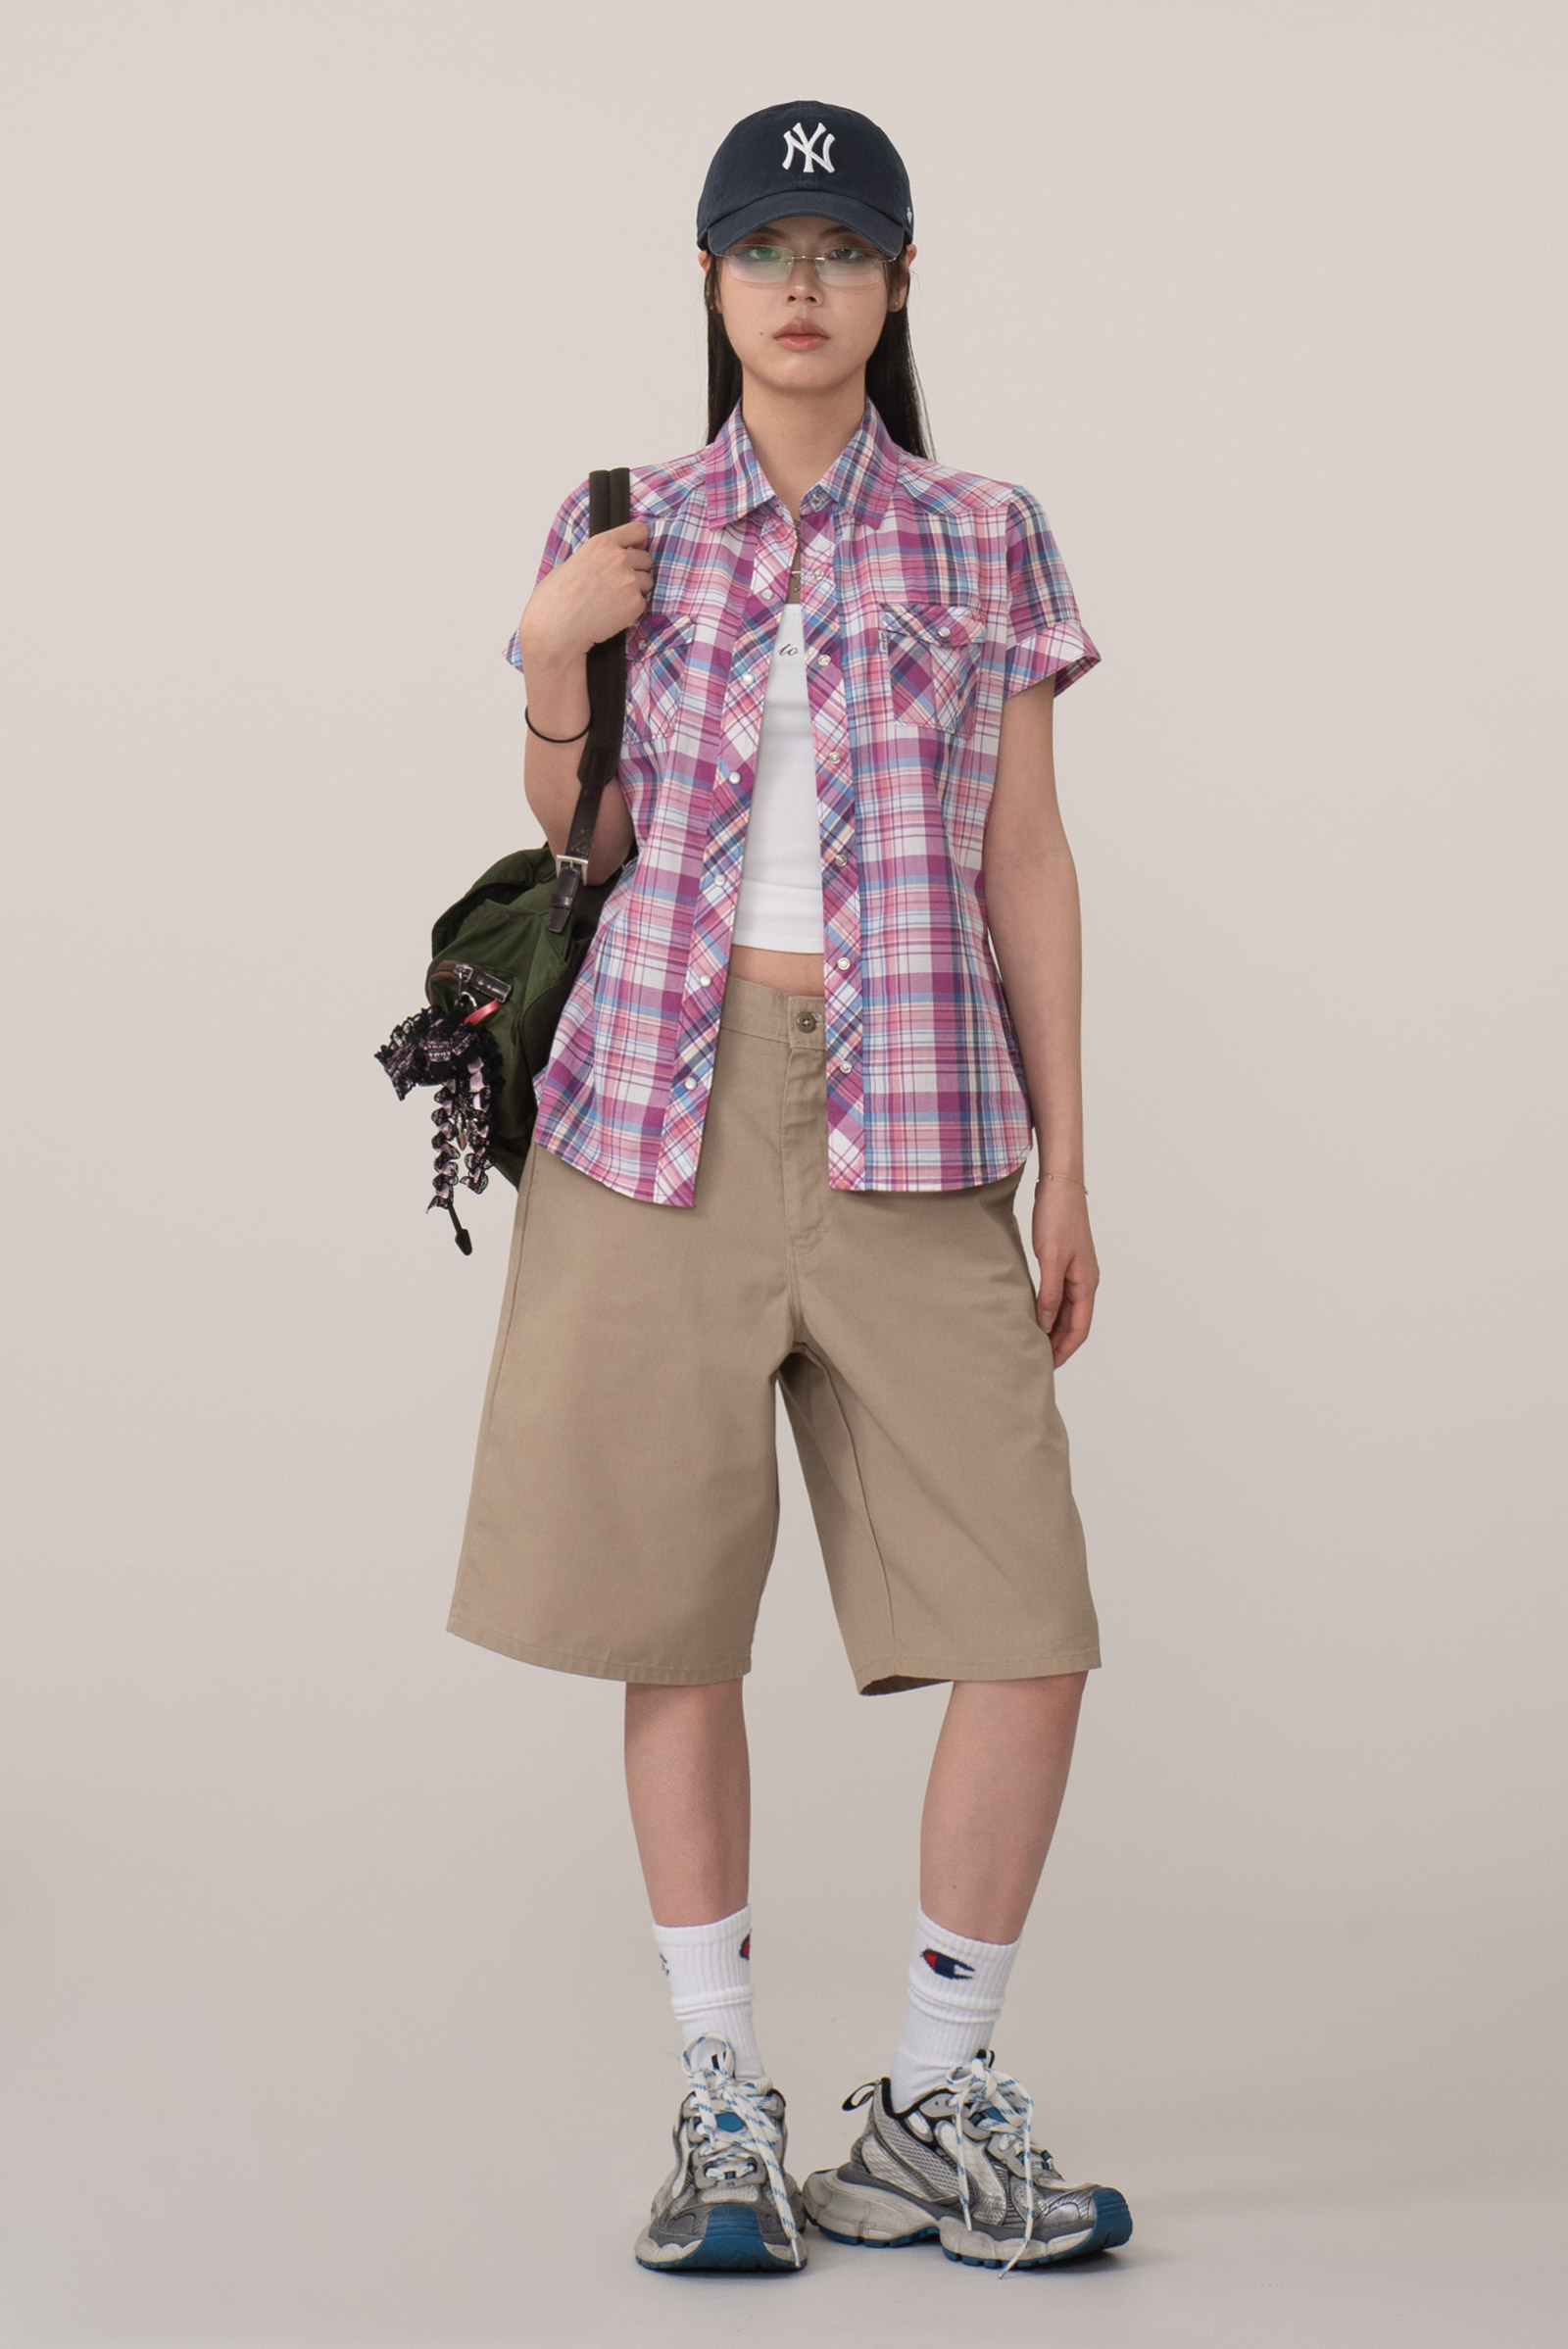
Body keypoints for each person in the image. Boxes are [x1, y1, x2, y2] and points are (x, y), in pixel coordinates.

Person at [448, 98, 1130, 2276]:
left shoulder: (987, 534)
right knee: (673, 1607)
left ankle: (930, 2097)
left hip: (918, 1110)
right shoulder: (624, 521)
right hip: (651, 1114)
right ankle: (720, 2095)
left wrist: (1072, 1163)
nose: (803, 286)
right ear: (715, 281)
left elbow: (1027, 853)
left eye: (841, 249)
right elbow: (580, 843)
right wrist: (553, 651)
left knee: (1025, 1621)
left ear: (897, 281)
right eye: (766, 248)